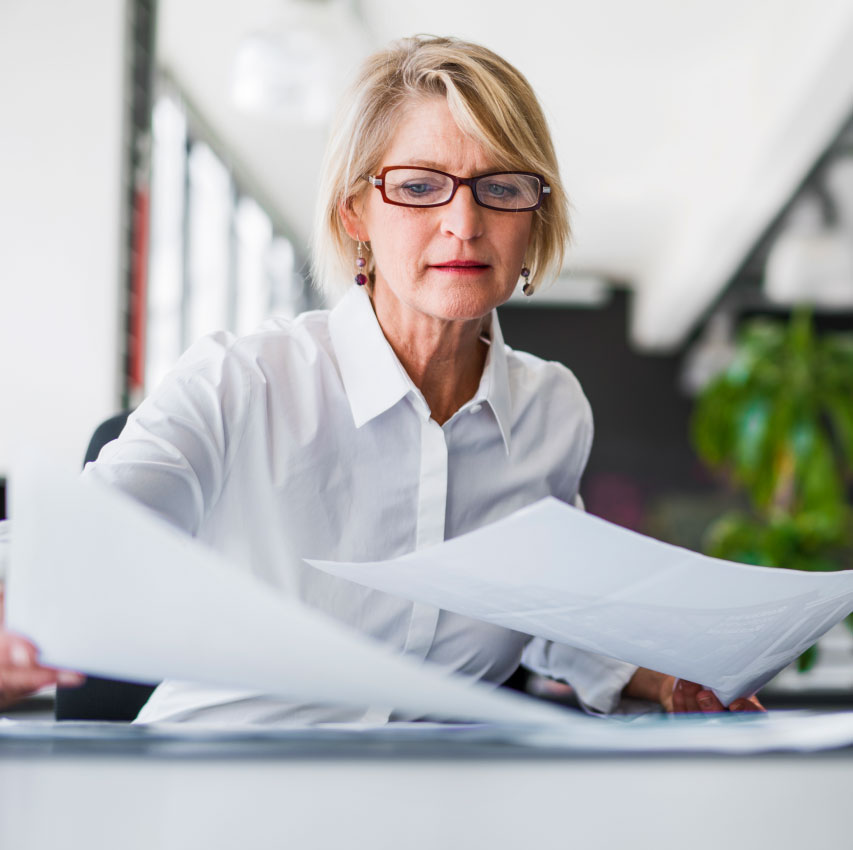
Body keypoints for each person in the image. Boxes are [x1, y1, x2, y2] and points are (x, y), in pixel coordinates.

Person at [0, 36, 761, 720]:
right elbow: (72, 541)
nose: (463, 224)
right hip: (227, 787)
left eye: (500, 187)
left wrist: (660, 677)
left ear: (534, 215)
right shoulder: (242, 383)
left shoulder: (549, 411)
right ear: (355, 213)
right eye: (421, 186)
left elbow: (539, 607)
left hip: (437, 801)